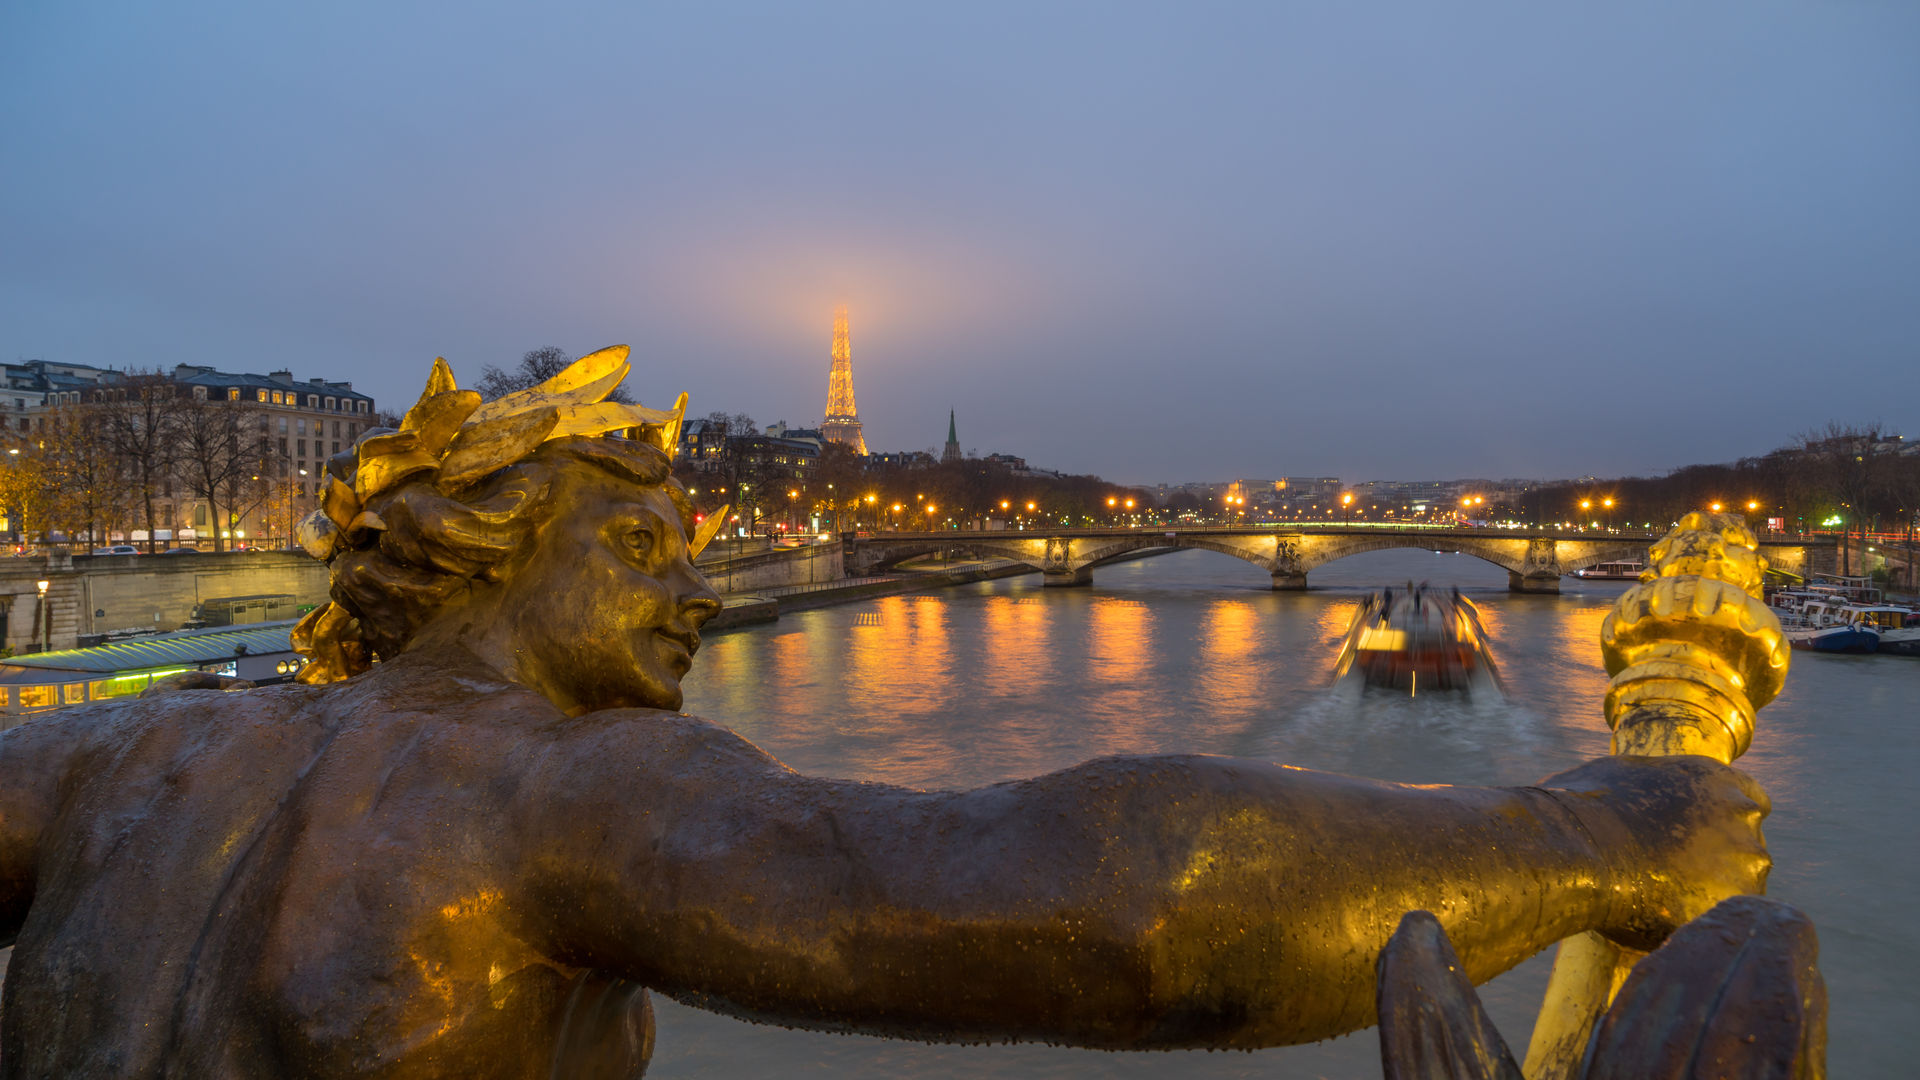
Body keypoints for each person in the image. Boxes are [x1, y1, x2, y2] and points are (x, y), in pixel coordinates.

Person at [0, 353, 1767, 1078]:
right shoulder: (553, 794)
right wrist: (1576, 835)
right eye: (641, 547)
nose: (694, 595)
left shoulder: (117, 760)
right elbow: (1120, 901)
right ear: (481, 560)